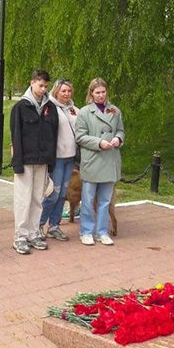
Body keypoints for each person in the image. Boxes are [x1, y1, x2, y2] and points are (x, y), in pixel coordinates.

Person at [9, 69, 58, 255]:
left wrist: (50, 161)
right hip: (26, 160)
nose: (43, 89)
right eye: (40, 85)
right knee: (23, 198)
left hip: (42, 160)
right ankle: (20, 236)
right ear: (32, 83)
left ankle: (33, 232)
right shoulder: (21, 107)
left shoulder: (50, 108)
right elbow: (16, 136)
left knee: (38, 198)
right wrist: (17, 163)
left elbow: (53, 135)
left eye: (46, 86)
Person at [75, 78, 124, 246]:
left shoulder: (115, 111)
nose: (101, 95)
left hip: (110, 159)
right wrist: (98, 142)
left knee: (105, 199)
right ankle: (86, 231)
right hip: (93, 159)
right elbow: (80, 136)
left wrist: (118, 138)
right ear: (91, 93)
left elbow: (121, 130)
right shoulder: (84, 112)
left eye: (103, 92)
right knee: (88, 199)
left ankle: (102, 231)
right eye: (97, 92)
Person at [39, 79, 79, 241]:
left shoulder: (75, 110)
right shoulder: (50, 108)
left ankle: (54, 226)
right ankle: (39, 225)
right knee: (53, 194)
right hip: (57, 158)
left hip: (71, 157)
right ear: (56, 91)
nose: (66, 94)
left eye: (69, 91)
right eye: (63, 91)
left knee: (63, 194)